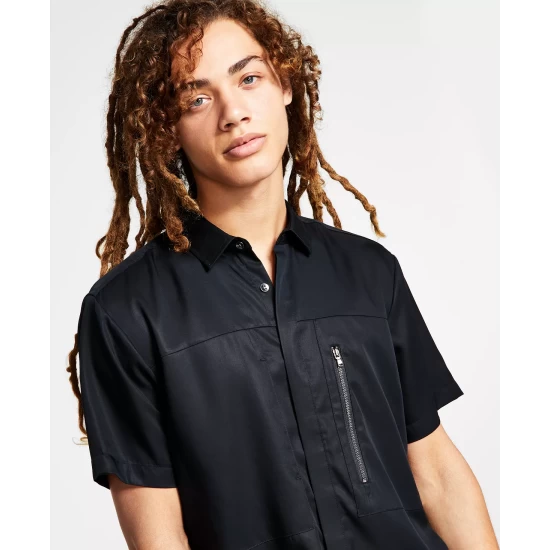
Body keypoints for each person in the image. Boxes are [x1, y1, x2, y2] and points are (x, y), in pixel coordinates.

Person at [67, 1, 499, 548]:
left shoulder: (370, 273)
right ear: (167, 129)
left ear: (286, 85)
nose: (233, 113)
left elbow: (435, 469)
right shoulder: (125, 312)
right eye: (197, 98)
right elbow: (158, 534)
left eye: (248, 78)